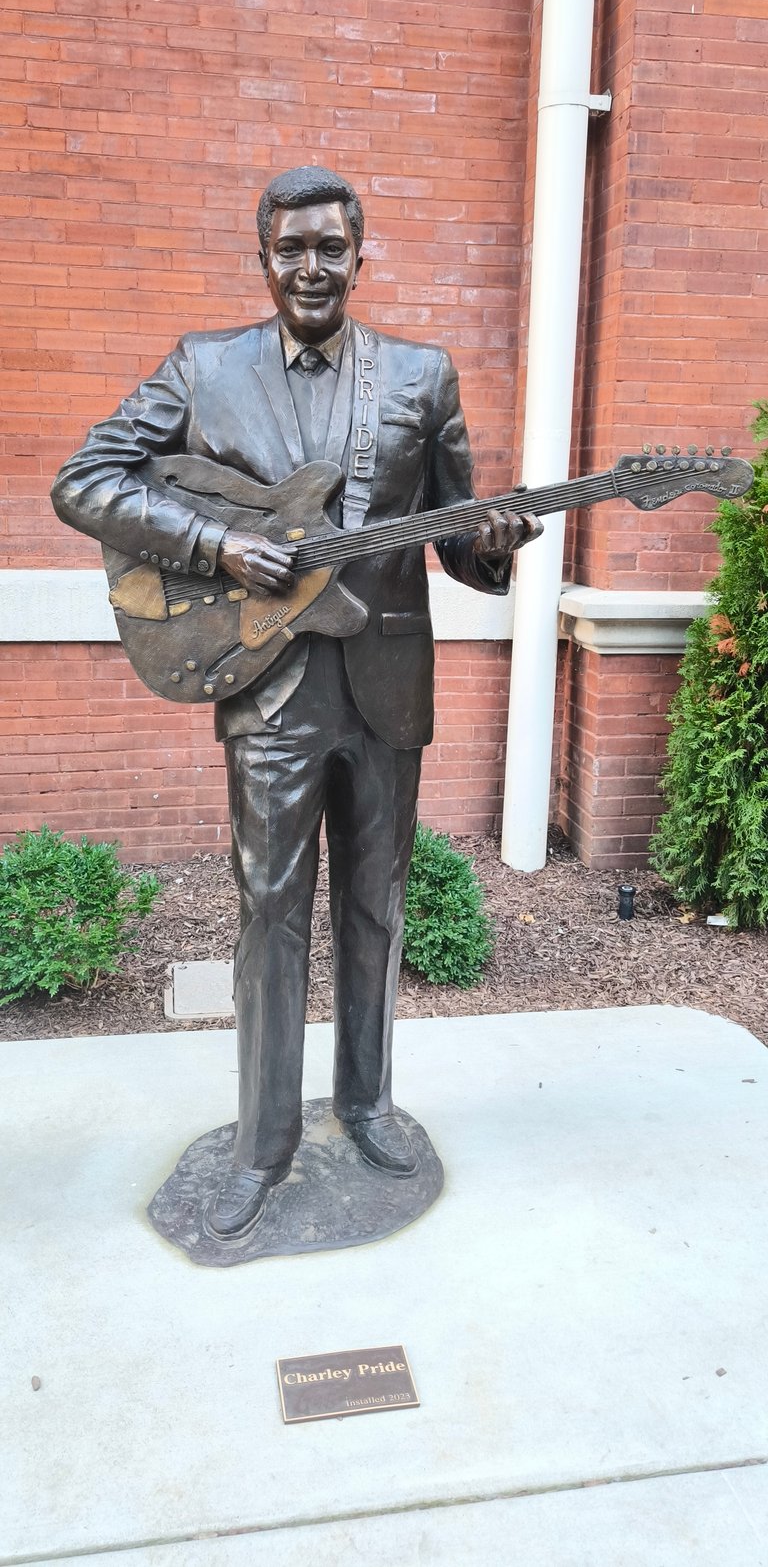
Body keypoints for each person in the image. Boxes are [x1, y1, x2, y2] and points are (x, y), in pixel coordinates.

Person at [51, 166, 542, 1241]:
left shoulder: (420, 376)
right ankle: (263, 1142)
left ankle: (365, 1104)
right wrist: (220, 541)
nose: (312, 267)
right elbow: (84, 481)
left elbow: (456, 533)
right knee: (268, 914)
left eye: (332, 248)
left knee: (376, 909)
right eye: (292, 249)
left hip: (386, 689)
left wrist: (490, 547)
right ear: (263, 258)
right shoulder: (205, 367)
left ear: (361, 257)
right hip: (266, 682)